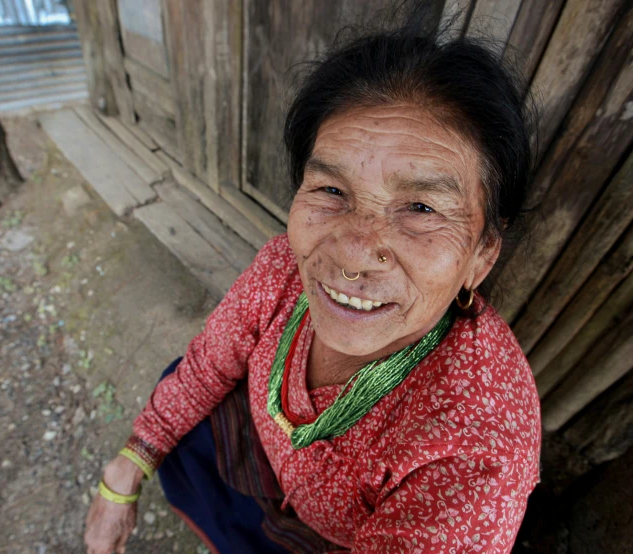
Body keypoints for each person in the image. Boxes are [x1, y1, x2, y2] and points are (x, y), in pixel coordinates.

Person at [84, 4, 541, 553]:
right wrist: (127, 468)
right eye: (331, 191)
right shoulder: (282, 267)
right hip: (258, 466)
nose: (350, 255)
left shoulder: (478, 445)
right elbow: (208, 364)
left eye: (420, 207)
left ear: (482, 256)